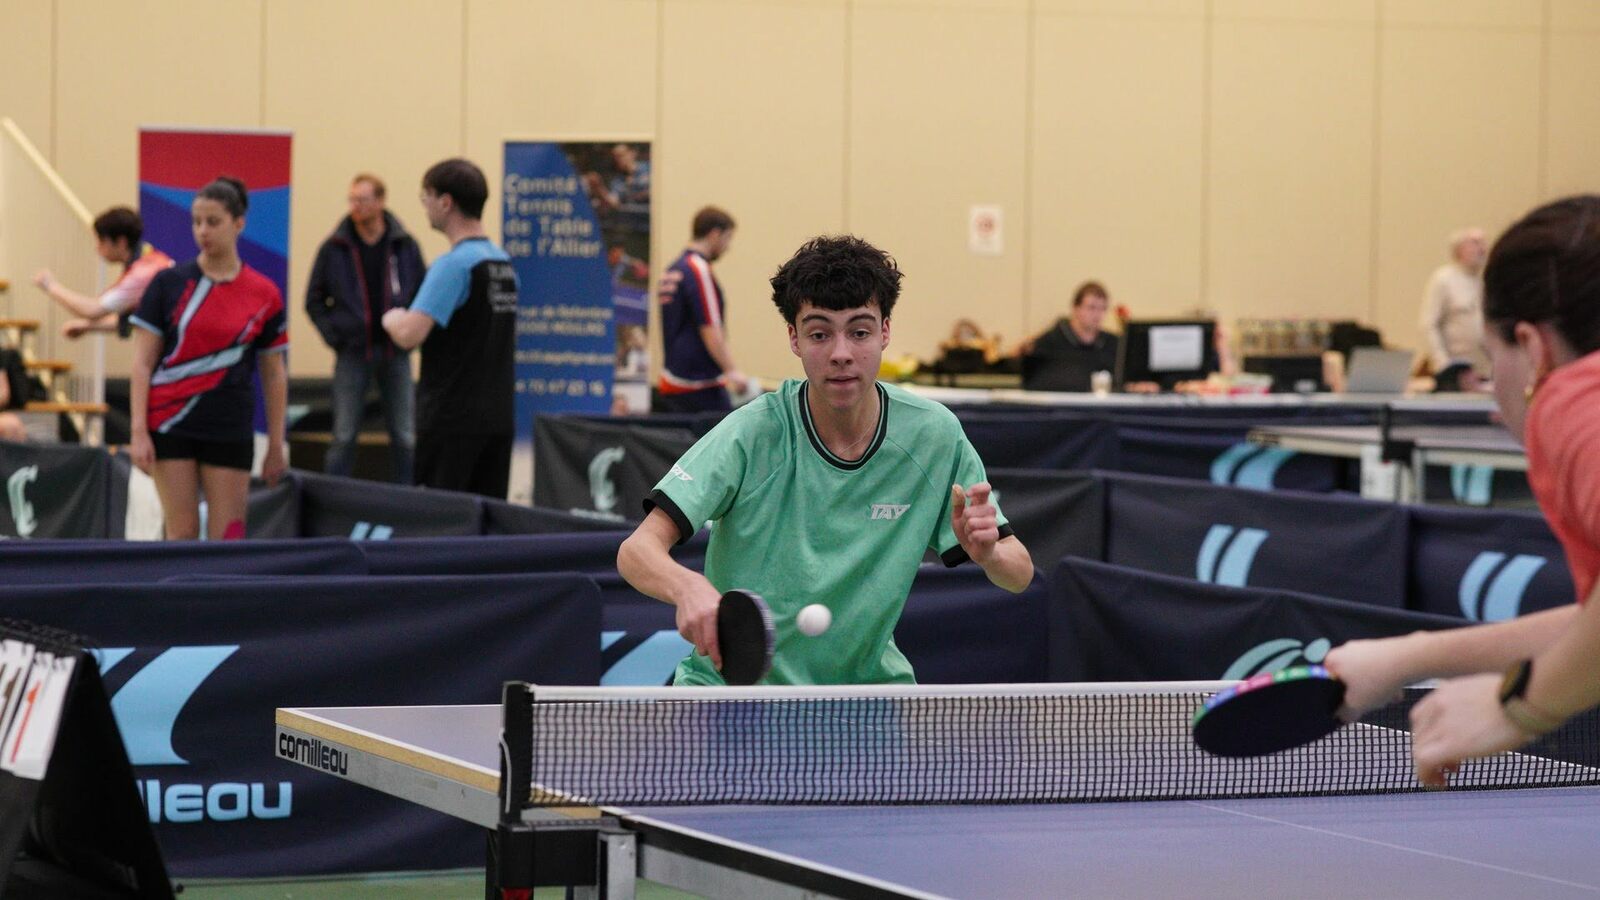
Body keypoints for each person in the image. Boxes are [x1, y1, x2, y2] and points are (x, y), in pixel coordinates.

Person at [617, 235, 1034, 686]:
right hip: (733, 694)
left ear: (885, 332)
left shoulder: (933, 436)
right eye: (819, 334)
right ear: (794, 338)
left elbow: (1019, 574)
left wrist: (989, 553)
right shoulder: (752, 433)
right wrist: (688, 588)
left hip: (867, 698)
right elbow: (637, 551)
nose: (841, 354)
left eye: (859, 332)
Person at [1324, 195, 1600, 787]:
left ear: (1533, 349)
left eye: (1490, 357)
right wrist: (1408, 658)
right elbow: (1592, 628)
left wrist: (1518, 707)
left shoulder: (1576, 399)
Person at [127, 177, 287, 540]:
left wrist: (276, 445)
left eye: (213, 222)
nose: (203, 231)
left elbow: (274, 374)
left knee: (229, 536)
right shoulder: (167, 284)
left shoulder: (264, 293)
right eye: (197, 221)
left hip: (229, 424)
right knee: (181, 533)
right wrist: (138, 432)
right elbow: (142, 363)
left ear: (238, 223)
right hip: (170, 422)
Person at [382, 158, 517, 499]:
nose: (424, 206)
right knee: (486, 520)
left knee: (441, 520)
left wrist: (392, 318)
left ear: (445, 202)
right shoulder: (504, 264)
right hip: (497, 419)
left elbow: (409, 334)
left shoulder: (453, 266)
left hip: (452, 422)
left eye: (425, 197)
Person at [305, 174, 427, 483]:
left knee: (405, 435)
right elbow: (313, 300)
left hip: (396, 352)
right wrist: (336, 337)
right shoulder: (334, 247)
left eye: (363, 199)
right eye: (353, 200)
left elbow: (422, 294)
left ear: (381, 201)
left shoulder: (404, 245)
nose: (356, 206)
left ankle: (410, 499)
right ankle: (335, 496)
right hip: (352, 353)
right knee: (344, 435)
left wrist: (411, 335)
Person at [654, 206, 747, 412]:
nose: (727, 247)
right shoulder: (698, 270)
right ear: (715, 234)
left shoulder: (673, 269)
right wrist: (732, 370)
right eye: (728, 238)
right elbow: (710, 326)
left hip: (673, 378)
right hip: (699, 384)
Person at [32, 206, 174, 339]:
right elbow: (134, 320)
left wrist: (50, 286)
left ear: (121, 242)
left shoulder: (143, 272)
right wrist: (86, 326)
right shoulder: (148, 259)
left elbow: (92, 310)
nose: (97, 247)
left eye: (102, 241)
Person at [1019, 281, 1117, 392]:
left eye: (1103, 308)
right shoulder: (1049, 342)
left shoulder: (1113, 344)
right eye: (1091, 308)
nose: (1098, 314)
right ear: (1076, 308)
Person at [1418, 226, 1488, 374]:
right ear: (1459, 250)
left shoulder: (1485, 282)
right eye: (1475, 243)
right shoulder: (1443, 279)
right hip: (1453, 369)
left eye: (1483, 242)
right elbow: (1428, 325)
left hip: (1483, 369)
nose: (1482, 248)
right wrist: (1442, 363)